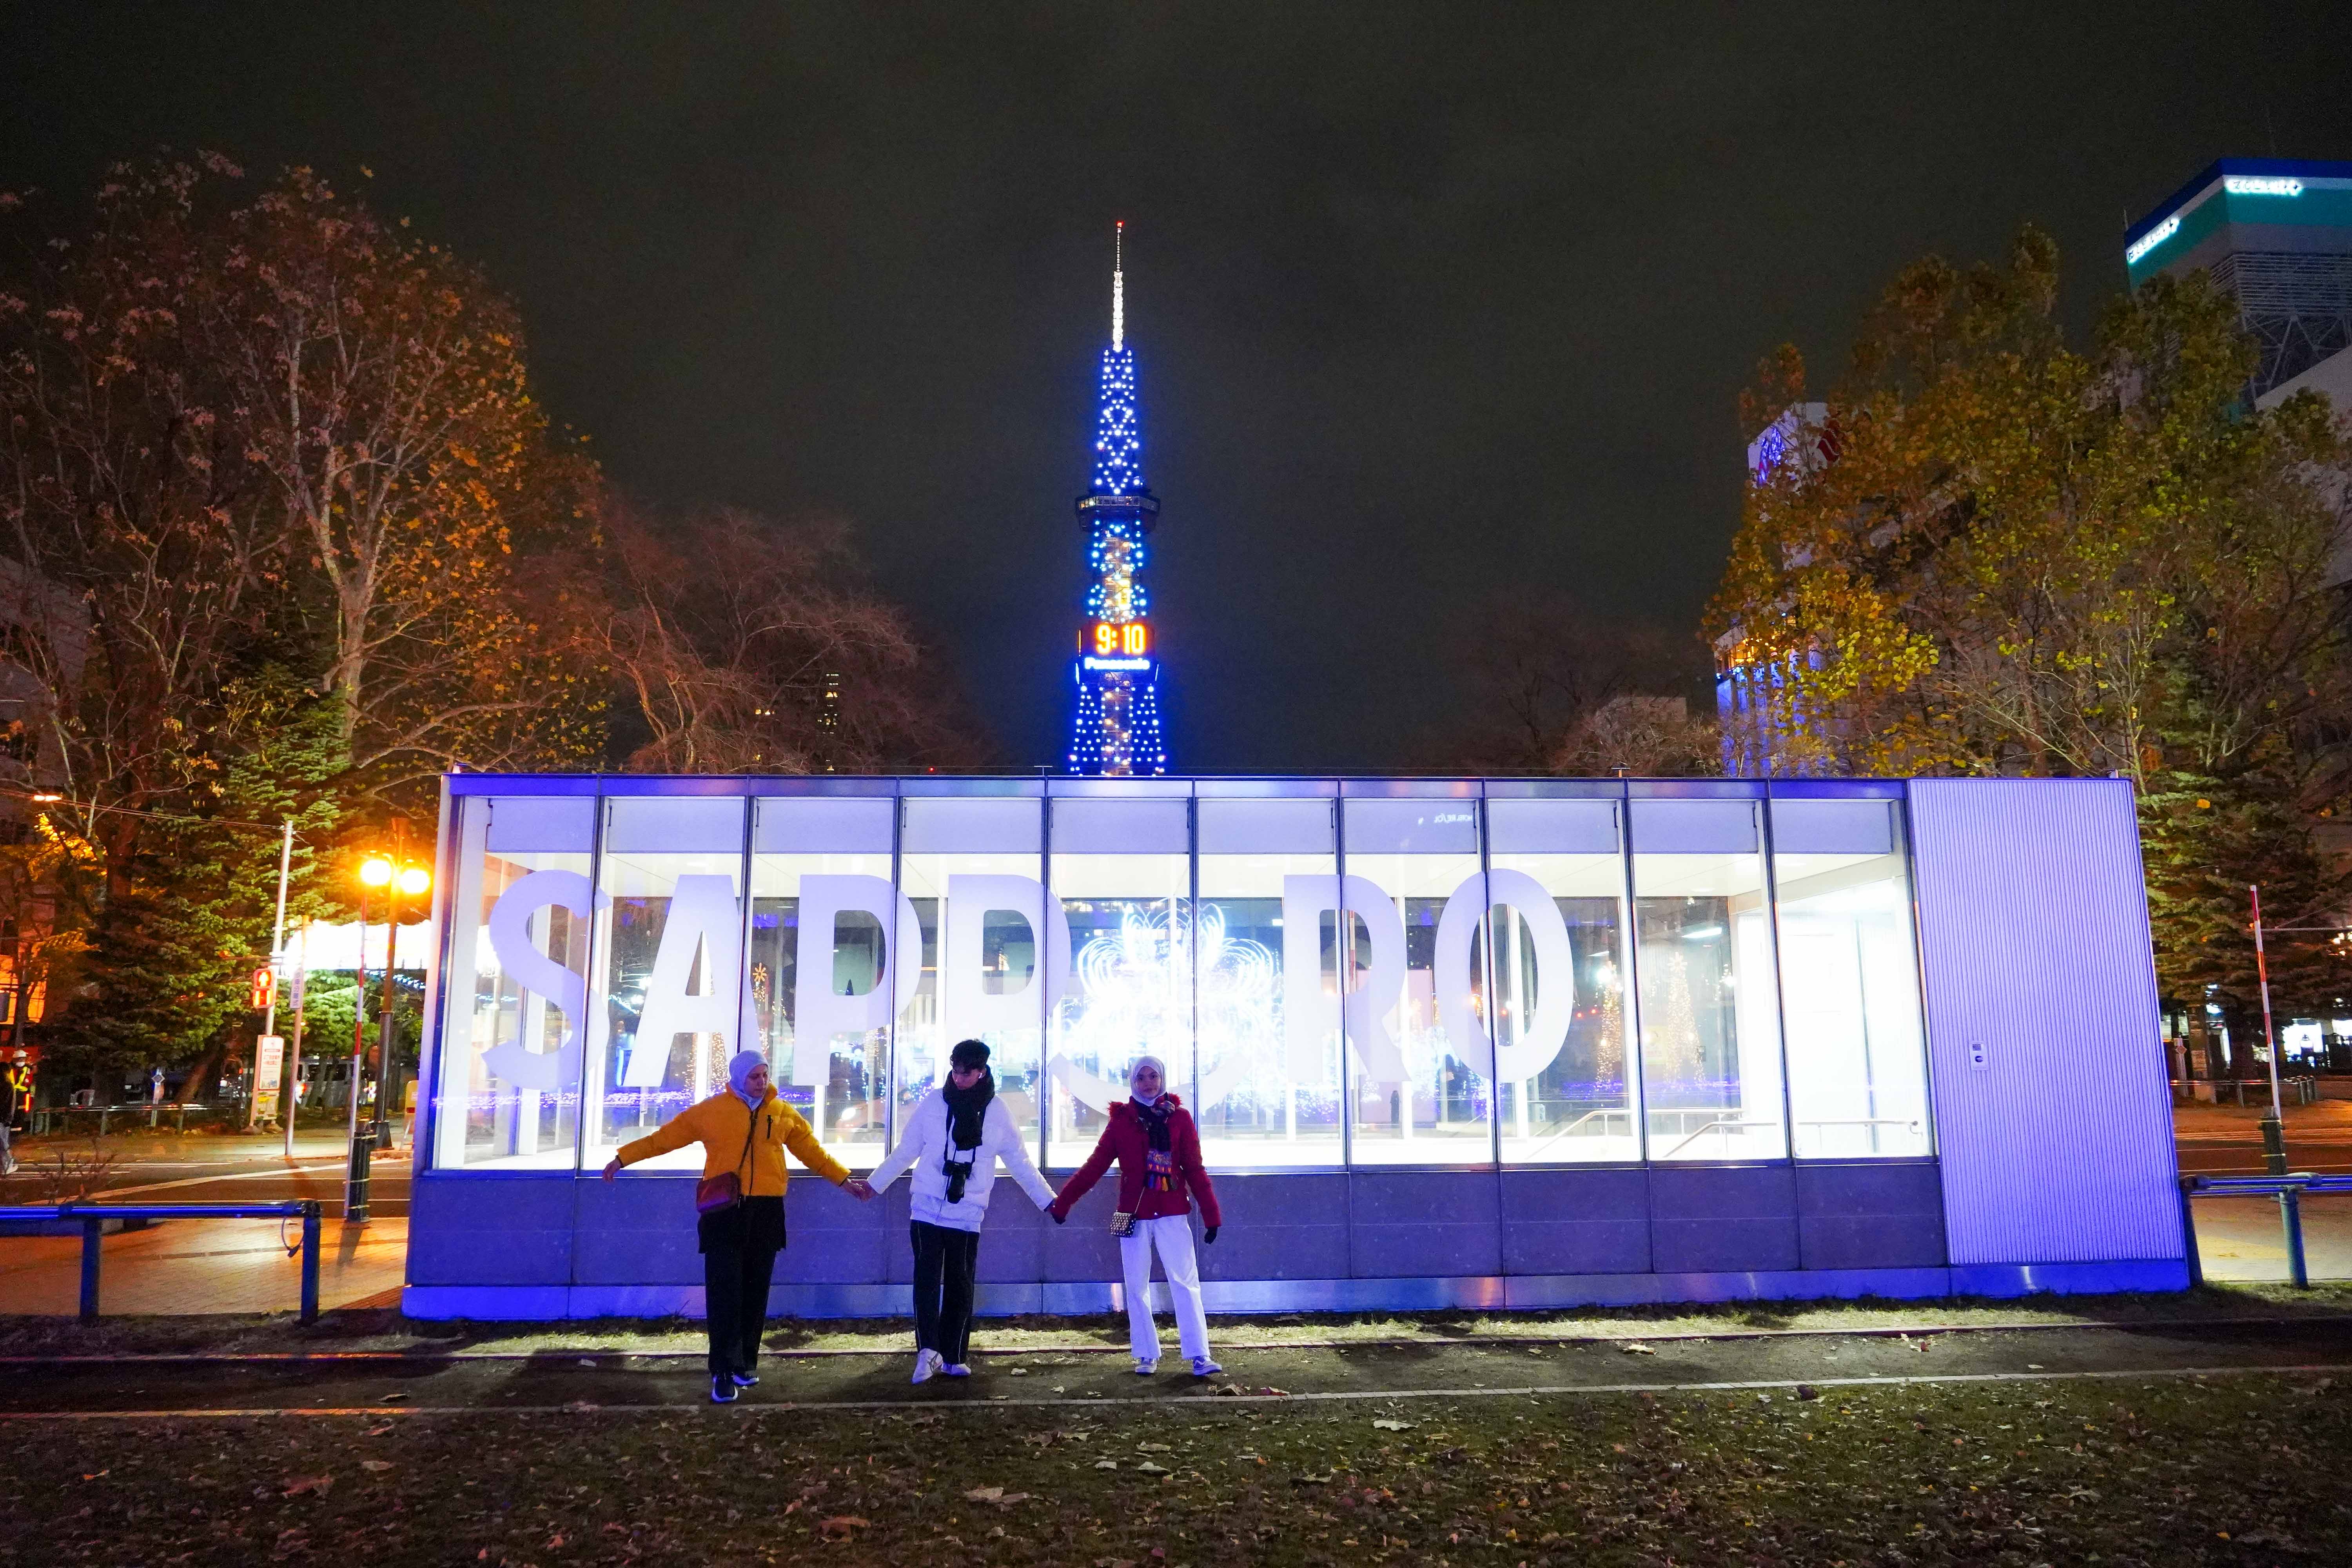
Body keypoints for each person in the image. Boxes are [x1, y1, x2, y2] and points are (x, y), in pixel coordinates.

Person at [603, 1049, 875, 1404]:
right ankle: (722, 1370)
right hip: (725, 1212)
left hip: (766, 1211)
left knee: (755, 1291)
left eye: (765, 1075)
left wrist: (844, 1181)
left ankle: (745, 1362)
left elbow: (812, 1152)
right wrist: (622, 1158)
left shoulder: (781, 1112)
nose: (762, 1082)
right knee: (724, 1292)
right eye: (754, 1077)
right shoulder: (712, 1111)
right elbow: (664, 1138)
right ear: (737, 1078)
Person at [866, 1038, 1055, 1383]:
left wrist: (1049, 1201)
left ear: (982, 1072)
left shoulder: (998, 1111)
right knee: (926, 1281)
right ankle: (927, 1352)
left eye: (966, 1073)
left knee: (960, 1284)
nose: (958, 1078)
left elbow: (1020, 1163)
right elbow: (906, 1150)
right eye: (955, 1070)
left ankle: (953, 1356)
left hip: (967, 1211)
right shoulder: (934, 1103)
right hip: (925, 1206)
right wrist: (874, 1185)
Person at [1047, 1055, 1223, 1377]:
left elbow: (1194, 1169)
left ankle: (1199, 1354)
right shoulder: (1122, 1121)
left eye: (1153, 1076)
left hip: (1172, 1213)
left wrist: (1212, 1215)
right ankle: (1146, 1353)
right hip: (1134, 1215)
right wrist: (1064, 1203)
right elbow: (1095, 1166)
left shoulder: (1180, 1119)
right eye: (1141, 1077)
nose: (1148, 1083)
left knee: (1186, 1283)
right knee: (1136, 1286)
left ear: (1162, 1078)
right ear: (1132, 1082)